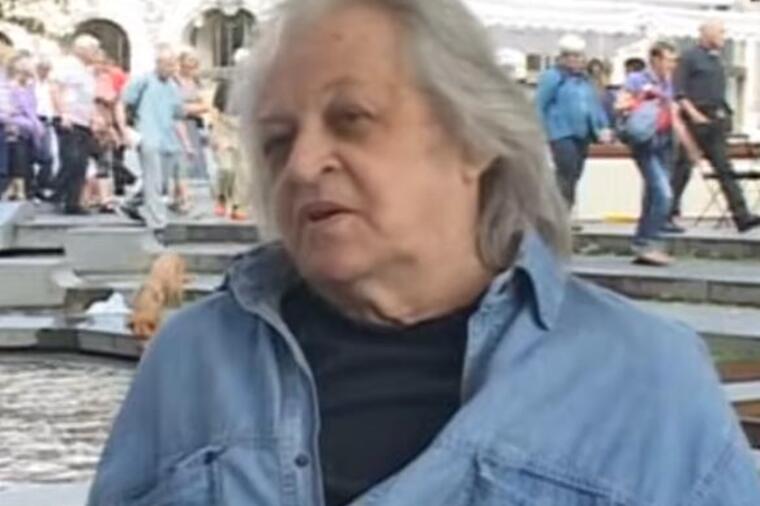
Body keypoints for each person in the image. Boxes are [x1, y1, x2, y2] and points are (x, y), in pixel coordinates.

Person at [87, 1, 760, 505]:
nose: (303, 164)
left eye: (352, 119)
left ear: (474, 138)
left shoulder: (646, 378)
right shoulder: (192, 362)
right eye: (278, 140)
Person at [671, 19, 760, 232]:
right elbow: (679, 92)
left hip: (715, 119)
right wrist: (694, 114)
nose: (723, 36)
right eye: (720, 32)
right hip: (695, 118)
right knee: (683, 168)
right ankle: (667, 212)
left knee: (722, 168)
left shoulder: (717, 60)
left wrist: (725, 115)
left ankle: (741, 216)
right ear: (707, 33)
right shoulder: (689, 58)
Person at [616, 42, 700, 266]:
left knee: (653, 195)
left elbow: (674, 116)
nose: (673, 65)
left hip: (665, 142)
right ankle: (647, 242)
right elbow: (620, 104)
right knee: (664, 194)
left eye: (674, 60)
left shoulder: (669, 82)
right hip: (646, 143)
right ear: (655, 59)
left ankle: (644, 244)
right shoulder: (637, 80)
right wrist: (643, 98)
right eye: (669, 60)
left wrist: (690, 147)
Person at [120, 46, 194, 230]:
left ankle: (130, 203)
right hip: (148, 135)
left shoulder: (173, 87)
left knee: (160, 180)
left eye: (173, 65)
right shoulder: (143, 81)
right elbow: (121, 103)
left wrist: (186, 143)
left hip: (168, 139)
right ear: (158, 64)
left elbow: (177, 116)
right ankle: (158, 222)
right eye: (167, 65)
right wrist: (124, 130)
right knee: (154, 181)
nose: (171, 69)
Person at [536, 34, 612, 211]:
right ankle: (561, 212)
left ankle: (564, 210)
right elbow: (539, 104)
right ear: (563, 57)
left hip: (582, 134)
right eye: (572, 56)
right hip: (561, 133)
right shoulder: (553, 77)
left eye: (579, 56)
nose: (577, 60)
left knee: (575, 173)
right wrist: (541, 131)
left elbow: (593, 104)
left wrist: (604, 126)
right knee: (566, 172)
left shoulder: (584, 80)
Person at [51, 34, 99, 215]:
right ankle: (56, 191)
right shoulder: (67, 65)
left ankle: (73, 201)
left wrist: (93, 118)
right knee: (71, 158)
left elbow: (88, 98)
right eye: (93, 49)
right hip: (69, 118)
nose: (96, 53)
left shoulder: (87, 71)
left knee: (81, 163)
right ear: (81, 49)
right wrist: (63, 113)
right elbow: (55, 88)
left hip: (83, 121)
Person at [210, 49, 250, 221]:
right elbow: (215, 108)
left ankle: (238, 206)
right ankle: (221, 196)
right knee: (227, 168)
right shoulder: (226, 83)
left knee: (245, 171)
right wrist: (216, 133)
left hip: (246, 126)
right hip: (225, 125)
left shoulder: (257, 84)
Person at [4, 55, 43, 201]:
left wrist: (35, 124)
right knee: (18, 154)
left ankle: (16, 187)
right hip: (14, 125)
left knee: (26, 156)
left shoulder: (29, 88)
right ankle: (18, 189)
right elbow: (9, 109)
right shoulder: (10, 87)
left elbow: (32, 108)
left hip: (29, 128)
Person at [176, 47, 209, 191]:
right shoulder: (175, 81)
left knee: (196, 154)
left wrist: (194, 108)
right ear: (181, 63)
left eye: (194, 63)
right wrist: (192, 107)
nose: (192, 66)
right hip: (179, 123)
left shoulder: (196, 81)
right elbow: (176, 106)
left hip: (194, 123)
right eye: (189, 62)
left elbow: (206, 104)